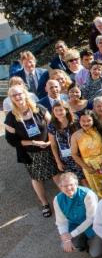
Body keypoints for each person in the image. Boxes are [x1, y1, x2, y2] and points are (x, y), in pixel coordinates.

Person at [4, 85, 57, 216]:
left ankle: (67, 199)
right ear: (11, 99)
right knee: (36, 178)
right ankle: (45, 203)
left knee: (57, 173)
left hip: (49, 148)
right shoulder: (11, 117)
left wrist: (50, 141)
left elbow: (53, 125)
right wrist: (33, 142)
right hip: (31, 154)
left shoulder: (39, 109)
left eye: (19, 94)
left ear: (25, 94)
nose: (17, 97)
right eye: (14, 95)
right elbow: (12, 140)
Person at [52, 172, 102, 258]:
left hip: (93, 226)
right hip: (74, 225)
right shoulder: (57, 199)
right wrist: (65, 237)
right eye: (65, 186)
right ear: (60, 187)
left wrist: (71, 235)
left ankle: (94, 239)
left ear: (76, 184)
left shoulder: (88, 194)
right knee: (64, 245)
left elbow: (91, 219)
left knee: (95, 254)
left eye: (71, 185)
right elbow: (61, 222)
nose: (69, 188)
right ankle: (83, 239)